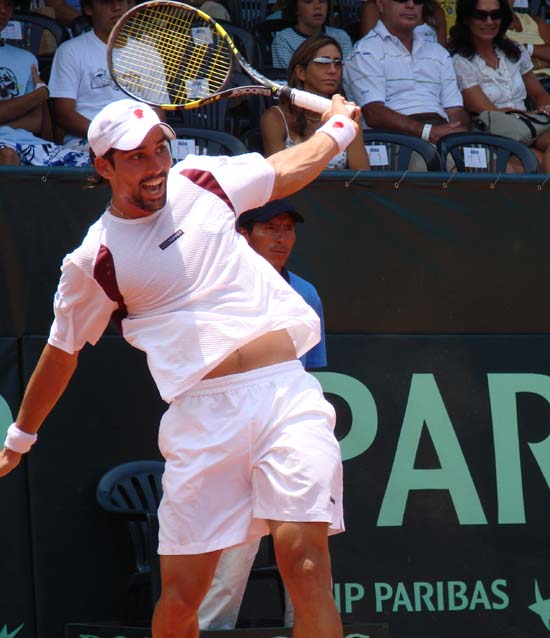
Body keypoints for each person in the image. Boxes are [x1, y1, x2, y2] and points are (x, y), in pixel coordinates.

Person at [0, 95, 359, 638]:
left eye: (158, 149)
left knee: (306, 565)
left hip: (285, 394)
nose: (155, 166)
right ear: (104, 166)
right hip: (201, 417)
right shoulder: (94, 260)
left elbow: (285, 170)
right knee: (182, 598)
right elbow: (61, 350)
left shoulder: (201, 180)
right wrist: (20, 436)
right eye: (136, 157)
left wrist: (336, 130)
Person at [198, 197, 327, 631]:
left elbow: (310, 374)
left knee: (308, 564)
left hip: (291, 440)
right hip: (233, 441)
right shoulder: (217, 289)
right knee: (229, 564)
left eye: (287, 228)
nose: (281, 238)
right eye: (269, 228)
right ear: (244, 234)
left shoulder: (306, 293)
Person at [449, 0, 550, 174]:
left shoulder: (514, 51)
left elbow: (538, 94)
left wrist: (546, 109)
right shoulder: (460, 62)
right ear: (467, 19)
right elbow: (490, 112)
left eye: (495, 15)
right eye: (480, 15)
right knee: (533, 161)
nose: (489, 21)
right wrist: (534, 116)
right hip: (495, 135)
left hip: (529, 128)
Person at [343, 0, 470, 150]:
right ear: (381, 4)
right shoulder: (365, 52)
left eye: (417, 1)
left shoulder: (439, 53)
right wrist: (428, 132)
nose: (411, 5)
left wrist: (456, 136)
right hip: (394, 143)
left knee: (492, 163)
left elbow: (454, 109)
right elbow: (373, 113)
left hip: (442, 135)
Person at [0, 0, 89, 166]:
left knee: (95, 165)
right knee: (7, 155)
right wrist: (38, 94)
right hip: (6, 150)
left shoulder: (26, 59)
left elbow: (35, 122)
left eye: (8, 4)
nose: (2, 10)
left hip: (30, 145)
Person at [263, 35, 370, 169]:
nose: (332, 70)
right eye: (323, 62)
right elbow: (277, 174)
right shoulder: (275, 118)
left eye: (337, 63)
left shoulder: (348, 115)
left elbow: (361, 174)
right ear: (301, 72)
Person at [48, 0, 131, 151]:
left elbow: (157, 112)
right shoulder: (70, 51)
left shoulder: (148, 52)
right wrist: (109, 139)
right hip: (87, 141)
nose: (117, 7)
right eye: (106, 2)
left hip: (138, 141)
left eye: (122, 1)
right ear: (88, 8)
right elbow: (64, 114)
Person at [271, 0, 353, 69]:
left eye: (322, 1)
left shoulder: (341, 37)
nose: (318, 6)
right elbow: (287, 78)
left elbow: (347, 75)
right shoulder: (284, 39)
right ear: (296, 8)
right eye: (309, 2)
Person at [360, 0, 448, 46]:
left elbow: (442, 57)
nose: (411, 5)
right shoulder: (373, 6)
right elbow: (369, 47)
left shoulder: (435, 11)